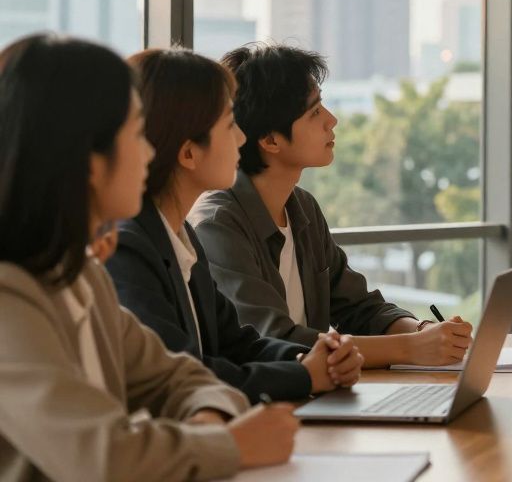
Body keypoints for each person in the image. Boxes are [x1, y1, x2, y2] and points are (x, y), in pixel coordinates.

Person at [0, 34, 299, 480]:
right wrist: (229, 444)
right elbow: (102, 457)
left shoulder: (83, 278)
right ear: (89, 160)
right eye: (137, 133)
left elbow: (183, 378)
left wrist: (208, 424)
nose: (149, 151)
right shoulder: (9, 299)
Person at [190, 43, 472, 368]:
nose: (332, 120)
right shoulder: (217, 223)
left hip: (315, 390)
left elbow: (359, 308)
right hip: (264, 397)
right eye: (314, 112)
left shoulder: (302, 207)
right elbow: (274, 340)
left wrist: (425, 332)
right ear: (271, 140)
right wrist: (411, 348)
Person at [107, 48, 365, 402]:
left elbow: (238, 344)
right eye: (230, 125)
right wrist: (305, 375)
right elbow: (183, 374)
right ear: (189, 153)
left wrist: (315, 360)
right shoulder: (129, 248)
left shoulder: (181, 237)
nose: (242, 139)